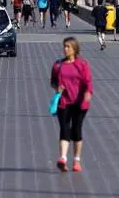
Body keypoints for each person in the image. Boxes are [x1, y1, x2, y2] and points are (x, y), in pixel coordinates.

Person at [50, 37, 93, 173]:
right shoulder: (58, 65)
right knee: (64, 128)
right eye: (64, 46)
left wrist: (88, 93)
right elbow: (53, 81)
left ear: (75, 49)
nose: (65, 49)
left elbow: (88, 82)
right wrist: (57, 88)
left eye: (68, 46)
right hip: (64, 102)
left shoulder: (82, 65)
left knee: (76, 130)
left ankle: (76, 160)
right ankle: (63, 158)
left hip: (80, 103)